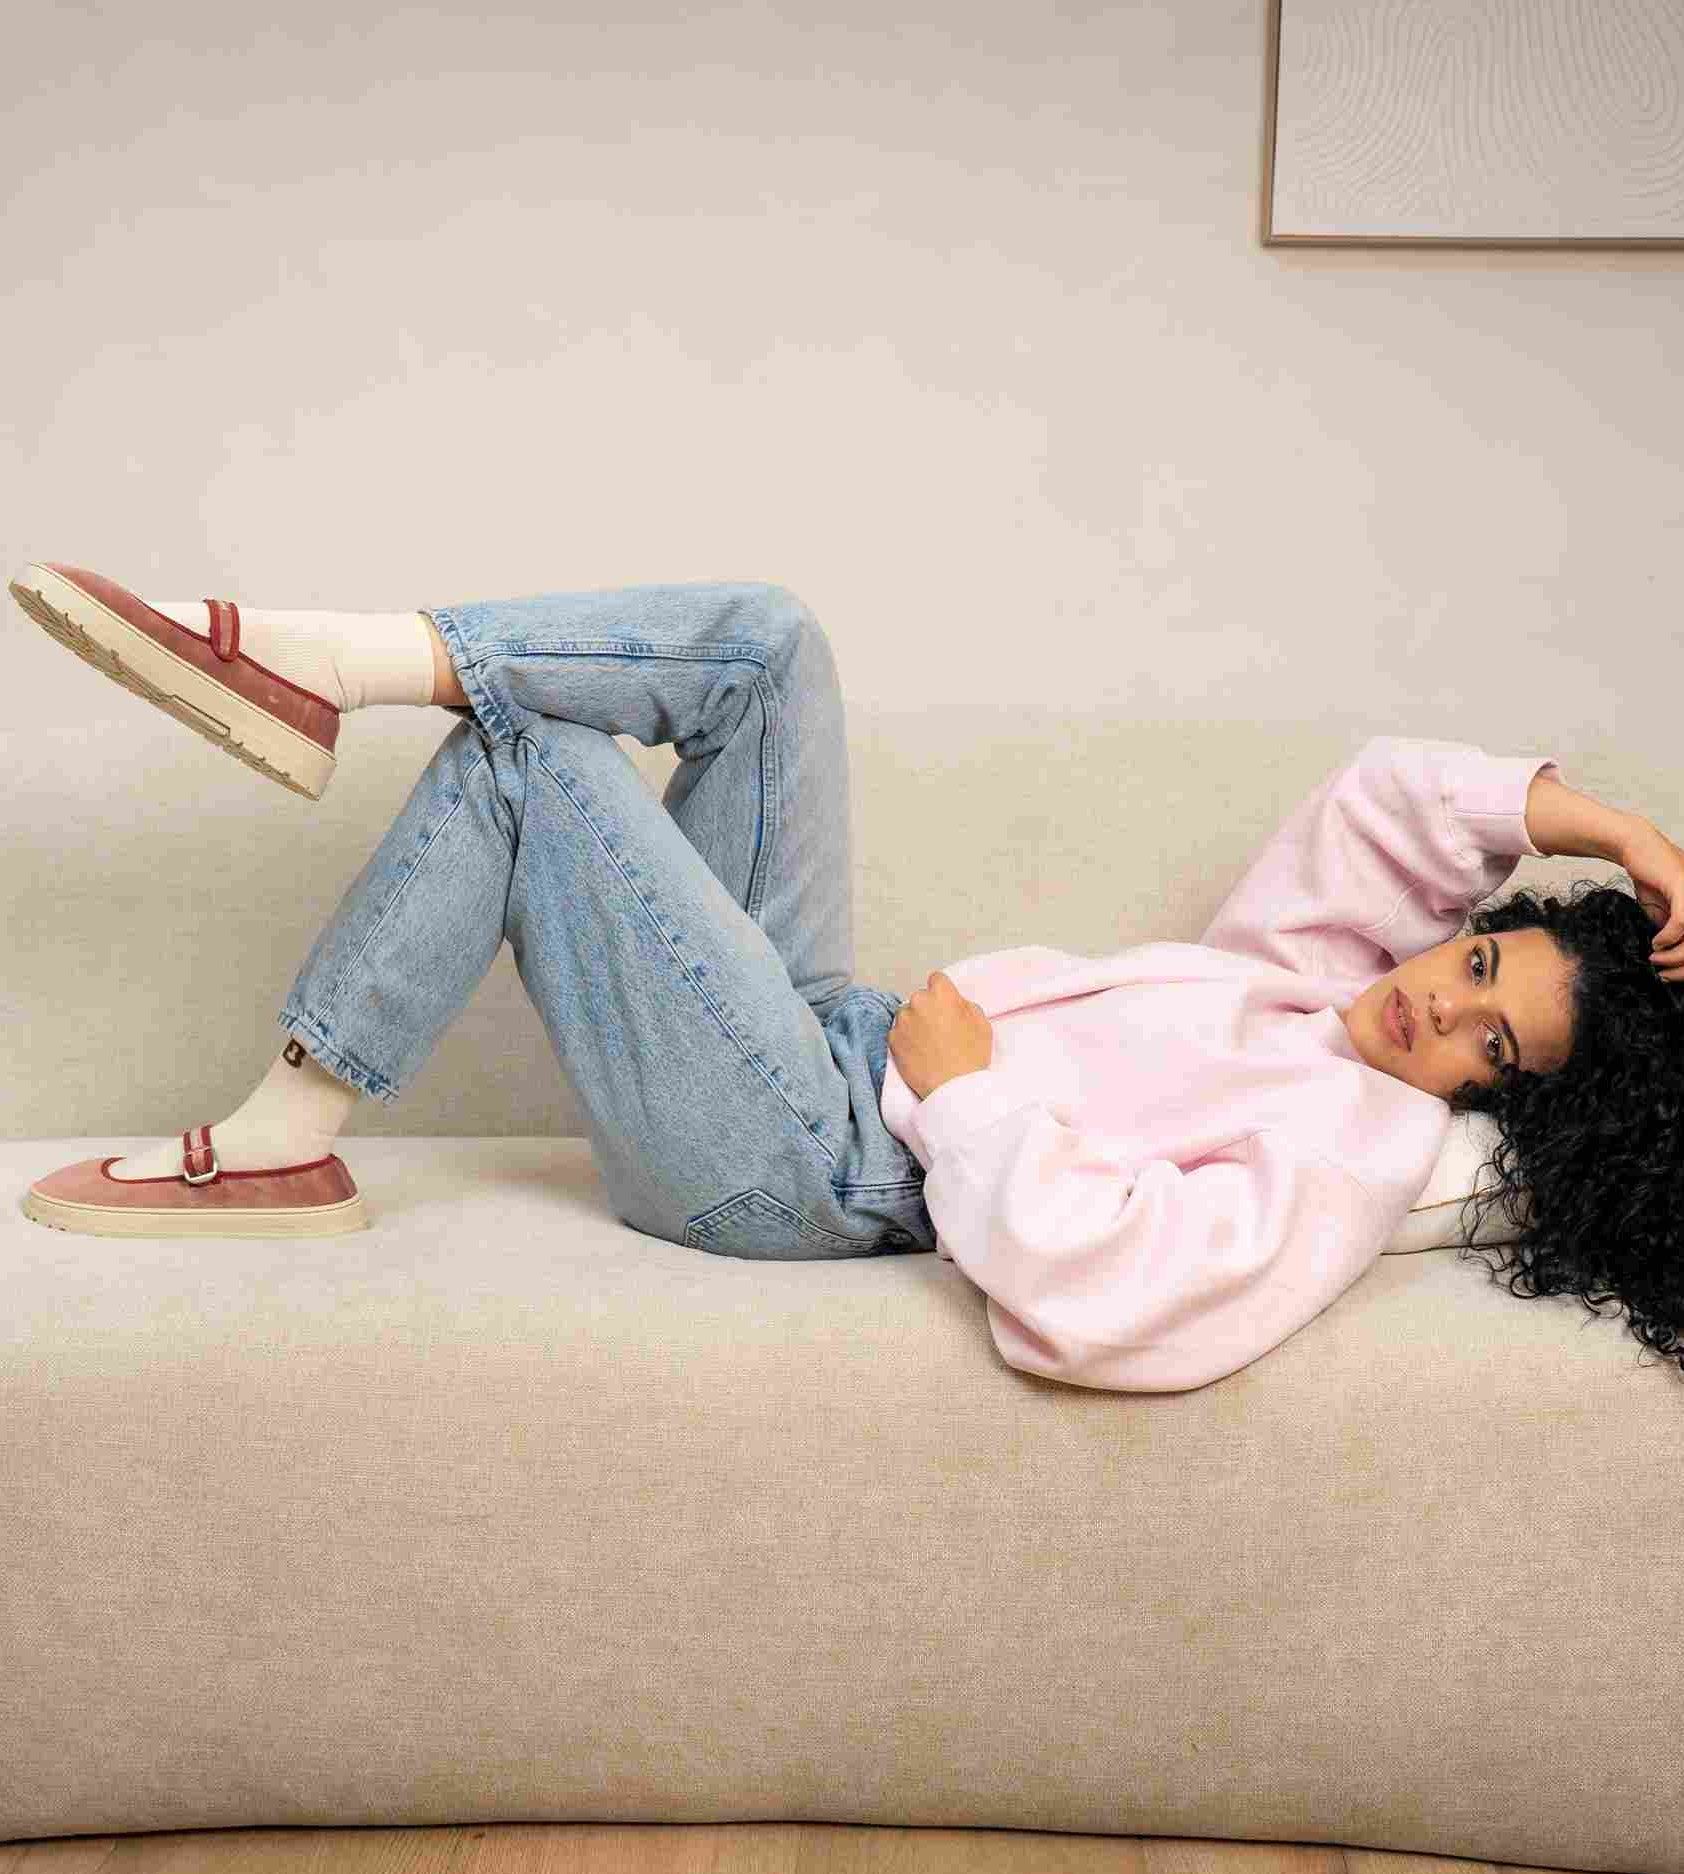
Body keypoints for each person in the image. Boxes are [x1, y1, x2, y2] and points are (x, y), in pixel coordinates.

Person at [13, 562, 1684, 1392]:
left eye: (1490, 1045)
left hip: (818, 1161)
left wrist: (967, 1105)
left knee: (542, 762)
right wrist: (1616, 829)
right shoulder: (1314, 998)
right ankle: (343, 660)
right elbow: (1387, 803)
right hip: (819, 1042)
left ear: (1504, 1108)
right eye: (1478, 958)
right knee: (771, 646)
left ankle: (285, 1129)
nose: (1440, 1003)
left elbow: (1130, 1297)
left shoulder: (1361, 1143)